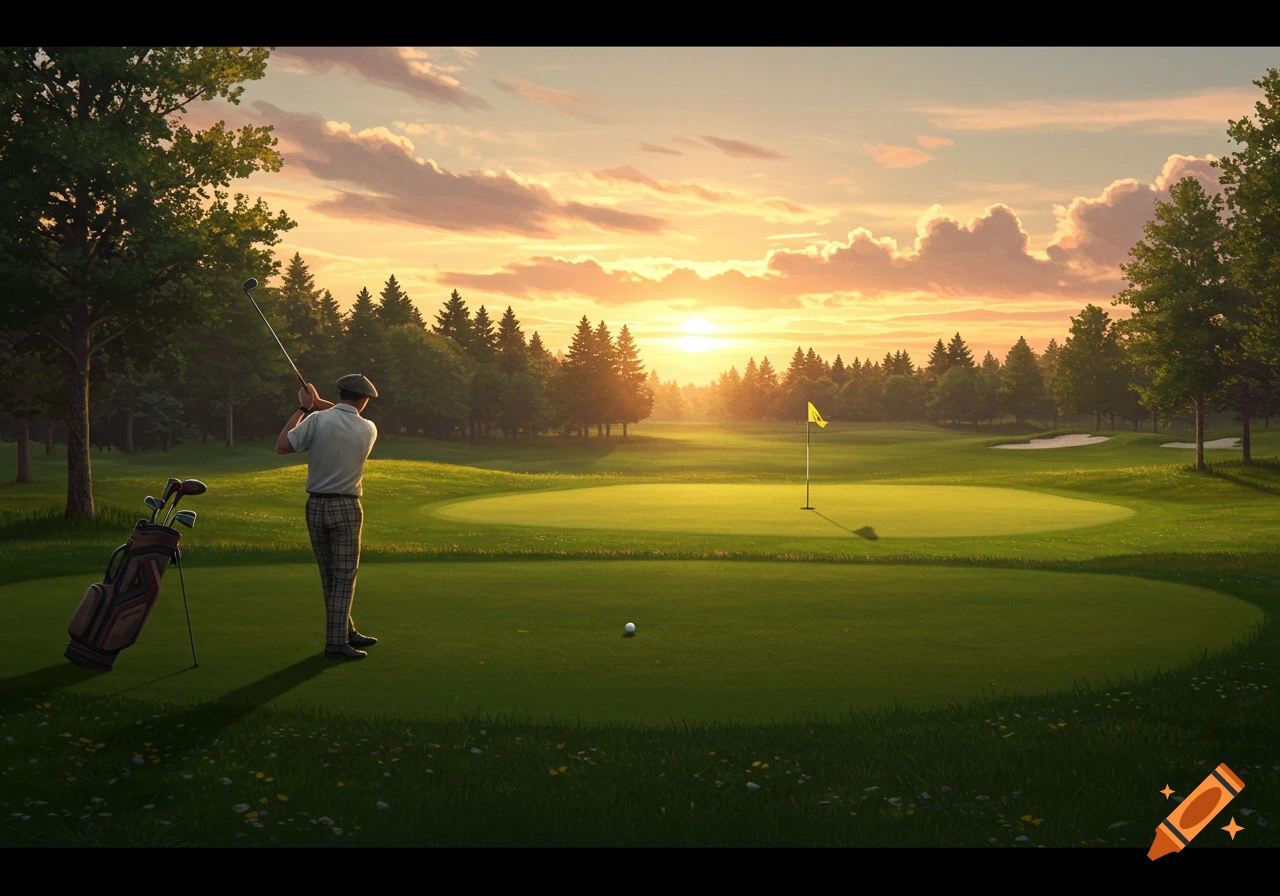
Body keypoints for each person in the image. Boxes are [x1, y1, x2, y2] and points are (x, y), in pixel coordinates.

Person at [275, 374, 380, 660]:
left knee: (330, 576)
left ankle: (346, 631)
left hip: (315, 506)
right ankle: (335, 643)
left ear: (341, 392)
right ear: (364, 400)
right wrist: (316, 404)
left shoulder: (317, 420)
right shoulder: (369, 428)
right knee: (344, 577)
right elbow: (343, 416)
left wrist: (304, 408)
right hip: (346, 507)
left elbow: (282, 445)